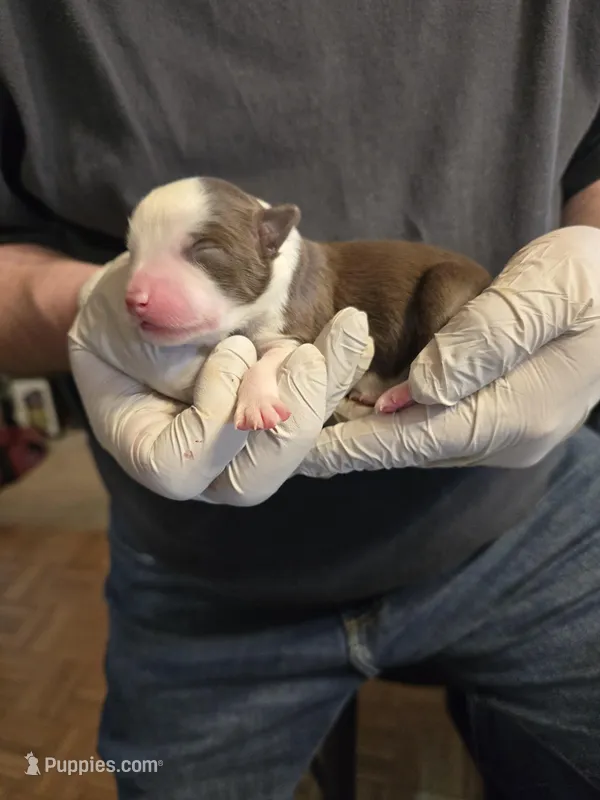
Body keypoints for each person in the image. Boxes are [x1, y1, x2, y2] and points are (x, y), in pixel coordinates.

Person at [2, 1, 600, 797]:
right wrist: (85, 311)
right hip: (200, 574)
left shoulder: (301, 279)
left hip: (528, 515)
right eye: (133, 253)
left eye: (195, 258)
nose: (142, 289)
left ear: (271, 240)